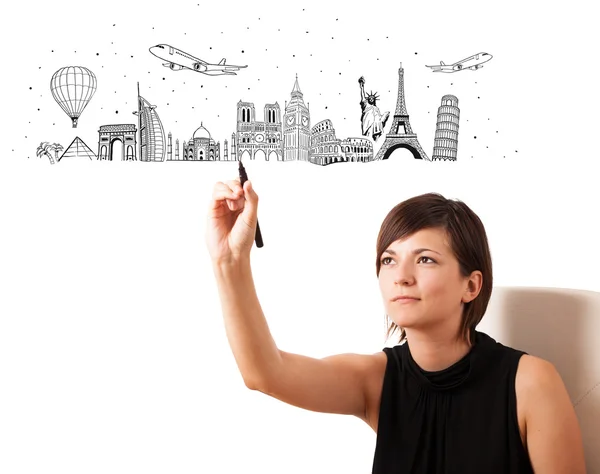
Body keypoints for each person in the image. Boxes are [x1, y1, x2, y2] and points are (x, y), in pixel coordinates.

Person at [206, 179, 587, 474]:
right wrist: (229, 262)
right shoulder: (376, 379)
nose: (400, 276)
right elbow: (264, 373)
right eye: (388, 260)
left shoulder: (531, 383)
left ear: (471, 285)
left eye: (424, 259)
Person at [359, 76, 390, 142]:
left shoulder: (376, 108)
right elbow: (362, 97)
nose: (371, 99)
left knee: (376, 140)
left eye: (372, 98)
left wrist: (385, 116)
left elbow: (380, 118)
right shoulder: (366, 105)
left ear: (374, 100)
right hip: (368, 124)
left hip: (377, 126)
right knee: (368, 139)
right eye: (370, 98)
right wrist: (362, 87)